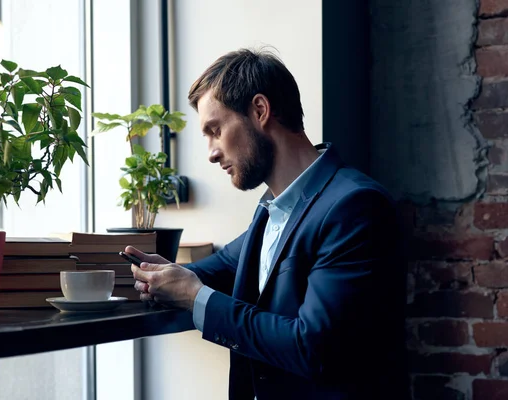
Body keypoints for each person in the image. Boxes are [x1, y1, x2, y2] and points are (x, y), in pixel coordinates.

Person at [126, 48, 407, 400]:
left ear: (260, 111)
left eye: (215, 130)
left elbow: (312, 346)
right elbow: (216, 269)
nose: (211, 152)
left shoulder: (355, 207)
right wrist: (162, 277)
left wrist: (196, 296)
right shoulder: (271, 210)